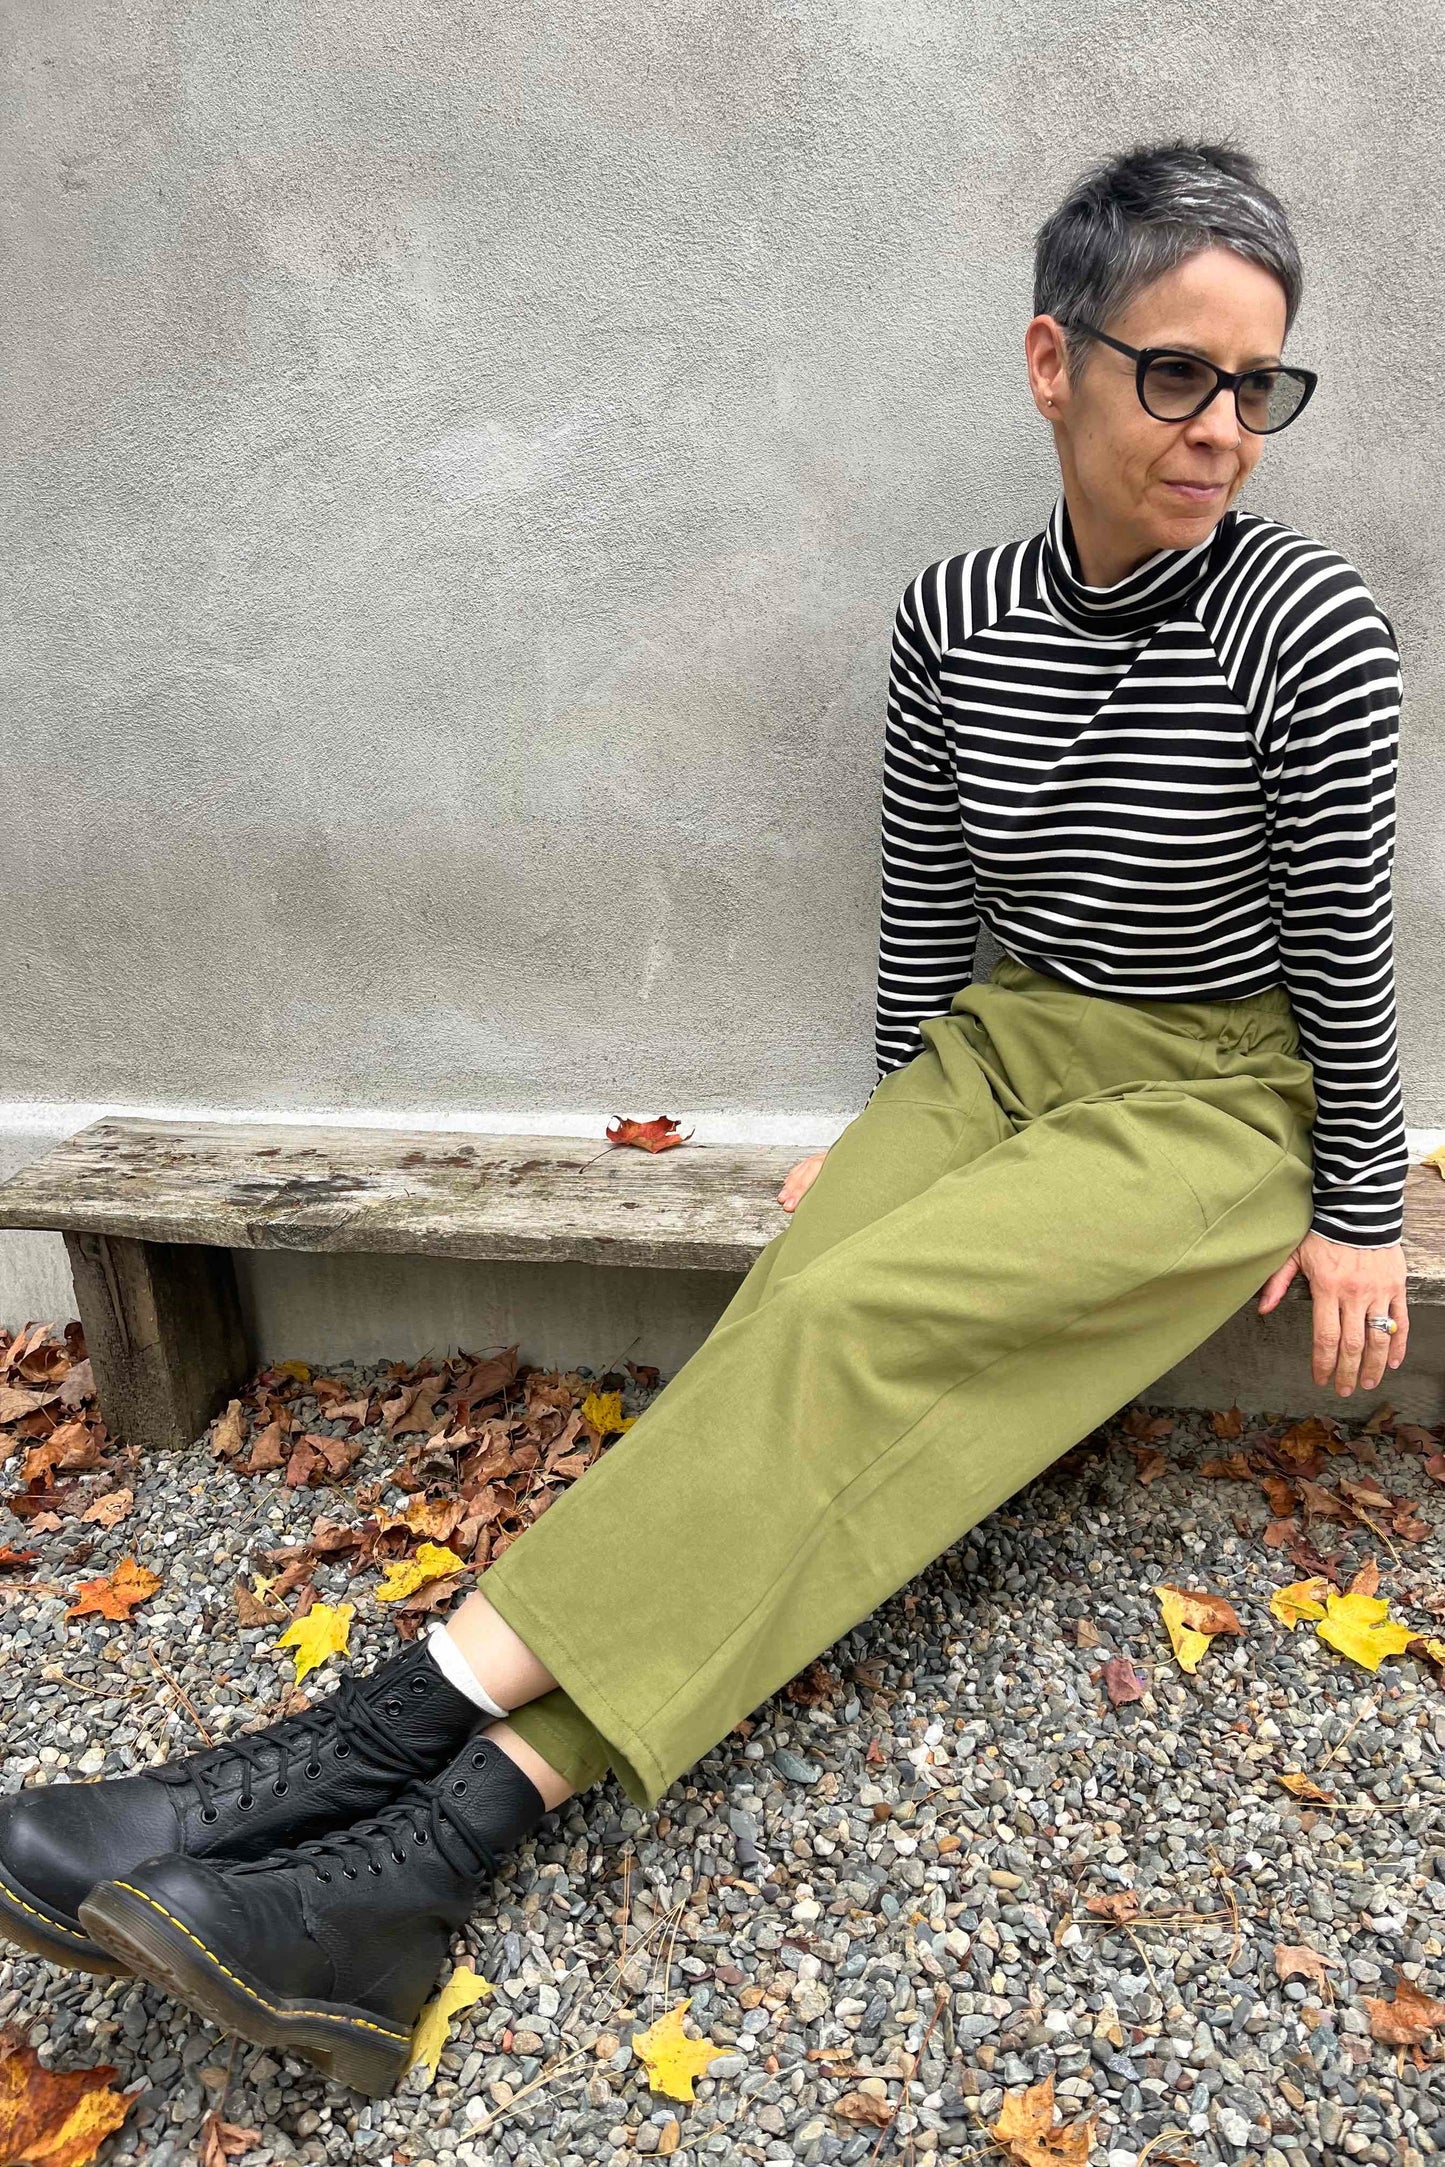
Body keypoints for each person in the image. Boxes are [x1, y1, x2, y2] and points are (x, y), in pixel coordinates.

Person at [0, 137, 1411, 2098]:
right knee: (798, 1309)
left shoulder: (1311, 629)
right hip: (1009, 1049)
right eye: (1178, 372)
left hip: (1212, 1095)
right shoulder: (955, 618)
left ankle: (346, 1755)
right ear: (1051, 359)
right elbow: (931, 911)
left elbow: (1347, 941)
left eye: (1259, 386)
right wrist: (904, 1108)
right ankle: (397, 1882)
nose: (1223, 429)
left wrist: (1355, 1202)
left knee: (846, 1333)